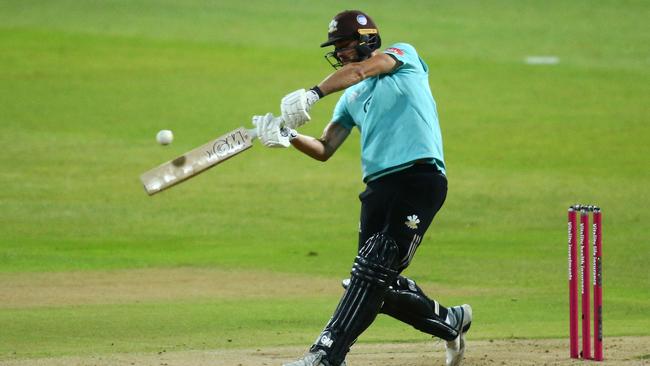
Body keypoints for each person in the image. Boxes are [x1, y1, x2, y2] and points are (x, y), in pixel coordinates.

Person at [252, 10, 472, 366]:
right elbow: (325, 148)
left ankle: (325, 355)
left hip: (419, 177)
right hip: (377, 190)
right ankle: (450, 321)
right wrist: (288, 135)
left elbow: (358, 71)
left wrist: (313, 93)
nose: (340, 53)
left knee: (374, 267)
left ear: (368, 38)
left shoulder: (403, 57)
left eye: (345, 44)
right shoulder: (350, 99)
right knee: (373, 285)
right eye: (335, 47)